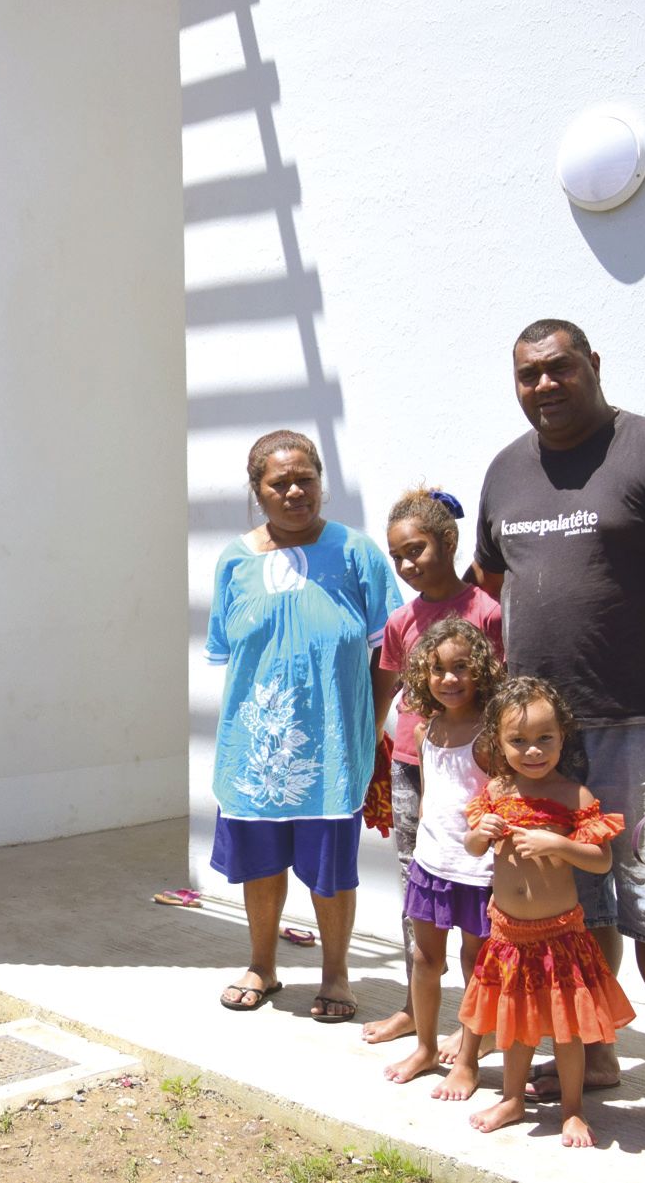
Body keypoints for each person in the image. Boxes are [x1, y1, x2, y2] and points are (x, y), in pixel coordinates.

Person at [472, 319, 645, 1156]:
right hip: (544, 740)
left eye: (559, 368)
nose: (544, 386)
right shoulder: (505, 470)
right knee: (571, 906)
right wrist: (487, 723)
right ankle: (590, 1051)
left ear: (593, 365)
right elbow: (491, 591)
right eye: (527, 375)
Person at [206, 430, 401, 1022]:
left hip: (335, 743)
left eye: (305, 480)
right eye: (279, 482)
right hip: (255, 746)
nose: (295, 491)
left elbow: (389, 651)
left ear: (320, 481)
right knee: (261, 864)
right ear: (257, 490)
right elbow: (231, 652)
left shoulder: (355, 552)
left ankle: (336, 974)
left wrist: (371, 722)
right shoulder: (235, 561)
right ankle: (263, 965)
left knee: (330, 868)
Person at [459, 677, 635, 1149]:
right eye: (518, 741)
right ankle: (512, 1098)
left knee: (566, 1029)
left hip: (559, 935)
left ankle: (573, 1111)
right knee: (515, 1027)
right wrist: (482, 832)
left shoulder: (572, 795)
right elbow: (472, 845)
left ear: (562, 737)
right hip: (509, 936)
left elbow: (601, 860)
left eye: (544, 739)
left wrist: (558, 843)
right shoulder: (496, 791)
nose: (532, 751)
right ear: (499, 741)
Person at [360, 488, 504, 1049]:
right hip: (412, 769)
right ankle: (414, 1009)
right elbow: (388, 685)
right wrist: (375, 739)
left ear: (449, 543)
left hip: (474, 773)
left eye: (415, 550)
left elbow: (501, 692)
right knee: (416, 888)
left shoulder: (486, 613)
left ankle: (479, 1022)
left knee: (477, 894)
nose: (405, 564)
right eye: (397, 556)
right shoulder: (401, 620)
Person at [383, 617, 501, 1099]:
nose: (449, 679)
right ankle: (426, 1046)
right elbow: (432, 797)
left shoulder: (490, 733)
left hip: (478, 871)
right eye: (437, 669)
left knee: (477, 965)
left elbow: (496, 801)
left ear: (481, 671)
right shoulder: (428, 728)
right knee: (425, 958)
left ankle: (470, 1058)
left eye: (460, 667)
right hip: (432, 867)